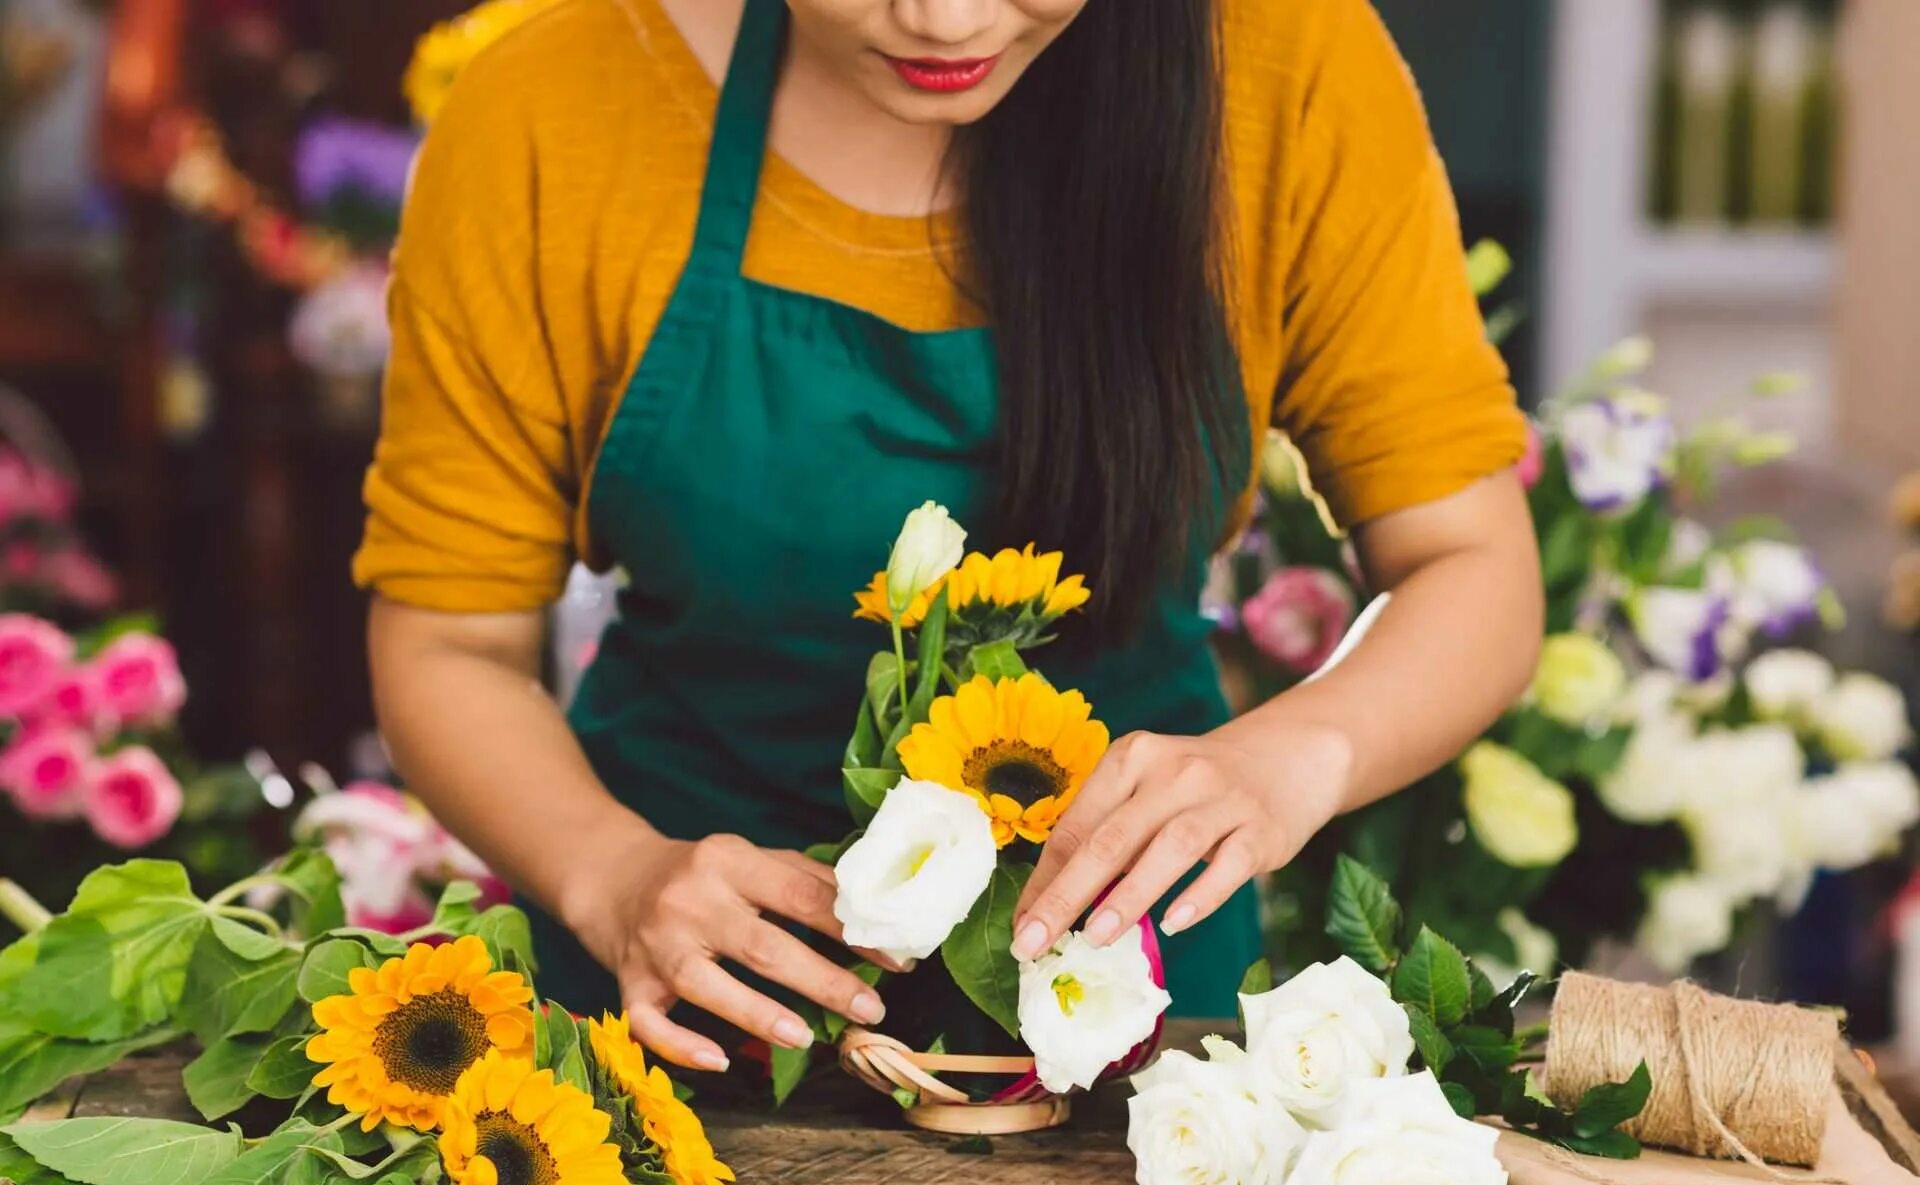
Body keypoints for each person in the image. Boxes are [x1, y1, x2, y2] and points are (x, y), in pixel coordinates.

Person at [357, 0, 1544, 1075]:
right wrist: (613, 876)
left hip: (1138, 1031)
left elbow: (1469, 563)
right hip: (679, 1019)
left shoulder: (1288, 67)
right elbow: (451, 644)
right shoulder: (548, 110)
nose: (942, 19)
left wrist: (1296, 755)